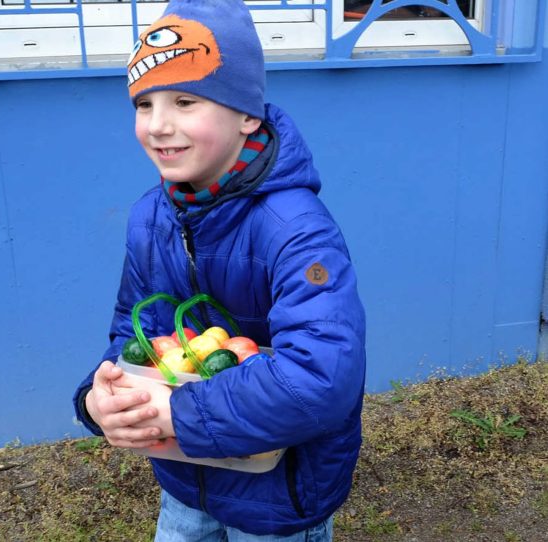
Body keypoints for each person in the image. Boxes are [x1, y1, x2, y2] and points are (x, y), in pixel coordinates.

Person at [72, 1, 366, 540]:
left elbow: (323, 378)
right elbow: (131, 334)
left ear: (247, 115)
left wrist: (180, 413)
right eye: (144, 104)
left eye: (185, 101)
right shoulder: (150, 218)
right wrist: (101, 396)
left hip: (277, 494)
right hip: (187, 479)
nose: (158, 125)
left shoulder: (296, 228)